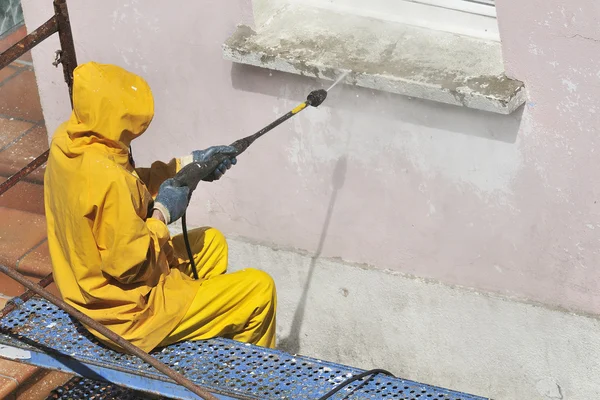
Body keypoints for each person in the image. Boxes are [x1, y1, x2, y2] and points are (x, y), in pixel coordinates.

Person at [44, 61, 277, 353]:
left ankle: (199, 337)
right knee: (259, 290)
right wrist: (162, 214)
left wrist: (187, 165)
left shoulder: (70, 142)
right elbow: (132, 266)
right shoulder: (107, 179)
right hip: (126, 316)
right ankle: (251, 383)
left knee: (212, 243)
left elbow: (128, 185)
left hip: (90, 290)